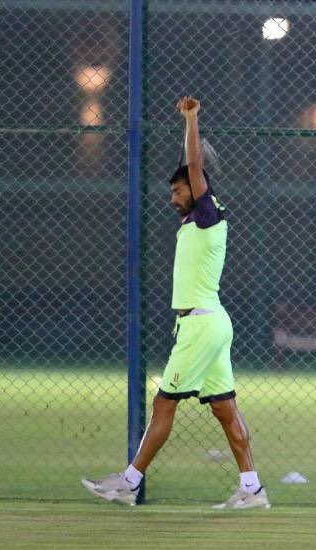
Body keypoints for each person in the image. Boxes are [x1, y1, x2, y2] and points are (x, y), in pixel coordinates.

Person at [81, 96, 267, 509]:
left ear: (196, 189)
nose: (173, 197)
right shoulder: (196, 222)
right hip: (210, 322)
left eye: (178, 189)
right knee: (224, 408)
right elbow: (193, 173)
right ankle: (252, 488)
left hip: (201, 325)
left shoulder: (207, 214)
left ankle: (129, 481)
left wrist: (191, 119)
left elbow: (196, 164)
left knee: (164, 401)